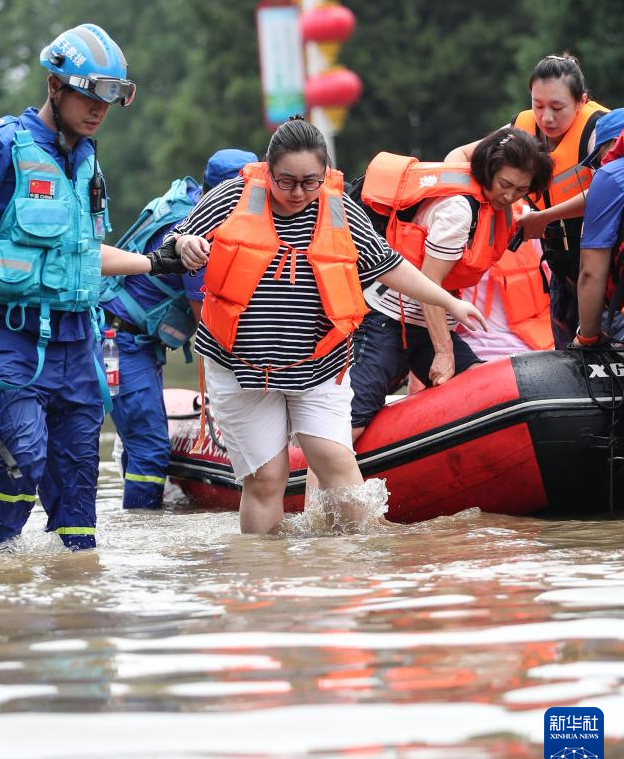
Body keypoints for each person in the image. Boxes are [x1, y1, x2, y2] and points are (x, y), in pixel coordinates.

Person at [0, 23, 184, 551]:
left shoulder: (87, 161)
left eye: (113, 97)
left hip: (78, 343)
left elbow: (82, 254)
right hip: (7, 340)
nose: (100, 109)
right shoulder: (1, 146)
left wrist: (152, 261)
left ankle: (74, 597)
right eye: (90, 93)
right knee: (23, 455)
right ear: (55, 86)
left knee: (79, 487)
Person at [172, 117, 488, 535]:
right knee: (267, 479)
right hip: (241, 368)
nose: (299, 193)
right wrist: (187, 245)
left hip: (319, 366)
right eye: (286, 182)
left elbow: (392, 266)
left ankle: (354, 576)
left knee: (340, 470)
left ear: (324, 176)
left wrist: (448, 301)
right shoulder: (232, 197)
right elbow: (178, 238)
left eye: (310, 182)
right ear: (269, 171)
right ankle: (263, 584)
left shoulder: (340, 211)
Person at [350, 127, 553, 441]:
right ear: (488, 170)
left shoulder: (498, 208)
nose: (510, 196)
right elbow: (430, 284)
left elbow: (471, 149)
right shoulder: (459, 210)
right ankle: (312, 488)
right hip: (386, 321)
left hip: (426, 324)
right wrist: (444, 353)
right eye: (505, 185)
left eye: (520, 189)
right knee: (352, 424)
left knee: (479, 388)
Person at [99, 147, 256, 509]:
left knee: (141, 442)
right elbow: (210, 324)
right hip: (118, 341)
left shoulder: (187, 207)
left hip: (127, 337)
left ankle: (136, 515)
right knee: (150, 448)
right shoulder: (200, 239)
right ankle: (143, 530)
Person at [446, 53, 608, 349]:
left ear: (581, 101)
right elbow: (457, 156)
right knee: (568, 354)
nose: (546, 117)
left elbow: (608, 190)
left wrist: (543, 217)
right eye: (538, 105)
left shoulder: (599, 131)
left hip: (604, 264)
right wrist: (472, 206)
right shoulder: (521, 128)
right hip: (560, 267)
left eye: (558, 107)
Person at [572, 107, 624, 348]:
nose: (596, 168)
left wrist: (588, 338)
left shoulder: (611, 175)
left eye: (597, 159)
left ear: (615, 142)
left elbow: (591, 273)